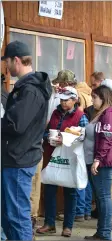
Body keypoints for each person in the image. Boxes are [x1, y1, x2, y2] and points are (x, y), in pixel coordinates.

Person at [1, 40, 52, 241]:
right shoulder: (28, 87)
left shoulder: (30, 90)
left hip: (19, 159)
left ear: (16, 60)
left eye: (6, 62)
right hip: (17, 157)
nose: (5, 67)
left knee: (17, 215)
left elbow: (16, 125)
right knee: (8, 215)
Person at [36, 87, 89, 237]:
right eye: (62, 100)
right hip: (52, 155)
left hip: (69, 156)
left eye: (66, 100)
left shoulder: (80, 116)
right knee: (49, 190)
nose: (63, 103)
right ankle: (49, 223)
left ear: (74, 100)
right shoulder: (55, 112)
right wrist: (49, 137)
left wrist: (65, 139)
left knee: (70, 192)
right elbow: (46, 131)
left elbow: (83, 136)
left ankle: (68, 226)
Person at [84, 85, 112, 240]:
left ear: (103, 97)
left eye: (94, 97)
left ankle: (105, 233)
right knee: (101, 197)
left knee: (104, 196)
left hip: (104, 162)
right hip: (102, 160)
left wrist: (97, 159)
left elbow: (106, 139)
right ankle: (101, 232)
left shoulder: (109, 115)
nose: (92, 100)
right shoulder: (103, 113)